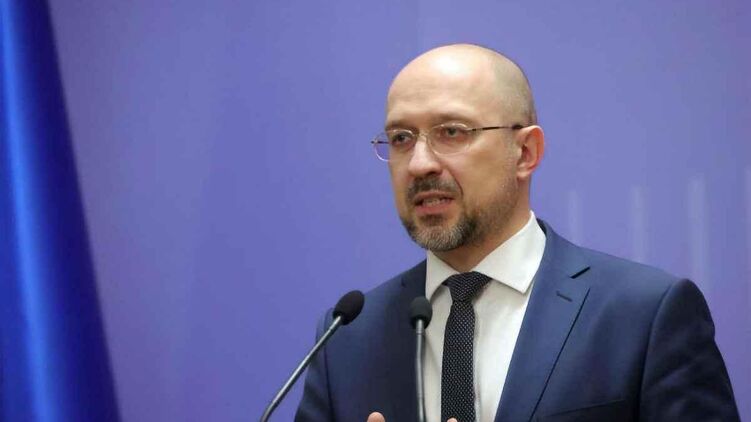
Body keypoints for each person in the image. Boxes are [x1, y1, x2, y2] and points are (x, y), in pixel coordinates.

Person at [295, 44, 739, 422]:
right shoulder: (347, 337)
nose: (420, 163)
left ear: (525, 152)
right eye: (401, 138)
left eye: (451, 132)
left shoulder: (643, 315)